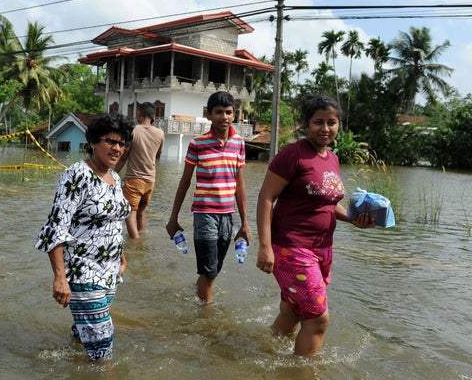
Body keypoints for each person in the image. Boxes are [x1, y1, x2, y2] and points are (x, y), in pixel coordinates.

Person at [255, 93, 375, 357]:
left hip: (322, 250)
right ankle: (299, 373)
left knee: (293, 313)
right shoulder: (293, 154)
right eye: (318, 122)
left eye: (331, 122)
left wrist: (355, 219)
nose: (325, 128)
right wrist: (265, 246)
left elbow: (328, 204)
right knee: (318, 319)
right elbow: (266, 197)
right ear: (306, 125)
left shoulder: (331, 158)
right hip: (292, 249)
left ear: (338, 124)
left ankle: (260, 353)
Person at [36, 113, 134, 362]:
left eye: (122, 143)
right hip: (82, 273)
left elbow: (111, 221)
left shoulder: (115, 178)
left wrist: (121, 259)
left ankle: (71, 365)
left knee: (84, 337)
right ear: (92, 142)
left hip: (110, 271)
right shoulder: (77, 176)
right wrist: (60, 277)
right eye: (110, 141)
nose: (117, 148)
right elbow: (55, 228)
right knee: (103, 348)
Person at [166, 91, 251, 304]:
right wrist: (173, 218)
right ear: (209, 115)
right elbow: (185, 182)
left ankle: (199, 294)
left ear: (235, 115)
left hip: (227, 215)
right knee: (209, 268)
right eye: (219, 112)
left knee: (215, 267)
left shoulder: (239, 143)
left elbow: (240, 185)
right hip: (204, 215)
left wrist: (245, 223)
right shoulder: (198, 143)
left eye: (229, 112)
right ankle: (206, 313)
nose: (224, 117)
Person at [114, 102, 165, 239]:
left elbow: (124, 157)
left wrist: (111, 174)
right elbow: (158, 155)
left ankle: (136, 243)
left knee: (130, 213)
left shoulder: (134, 131)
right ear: (153, 116)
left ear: (139, 114)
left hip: (134, 180)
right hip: (150, 181)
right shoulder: (160, 133)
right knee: (141, 212)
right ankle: (141, 235)